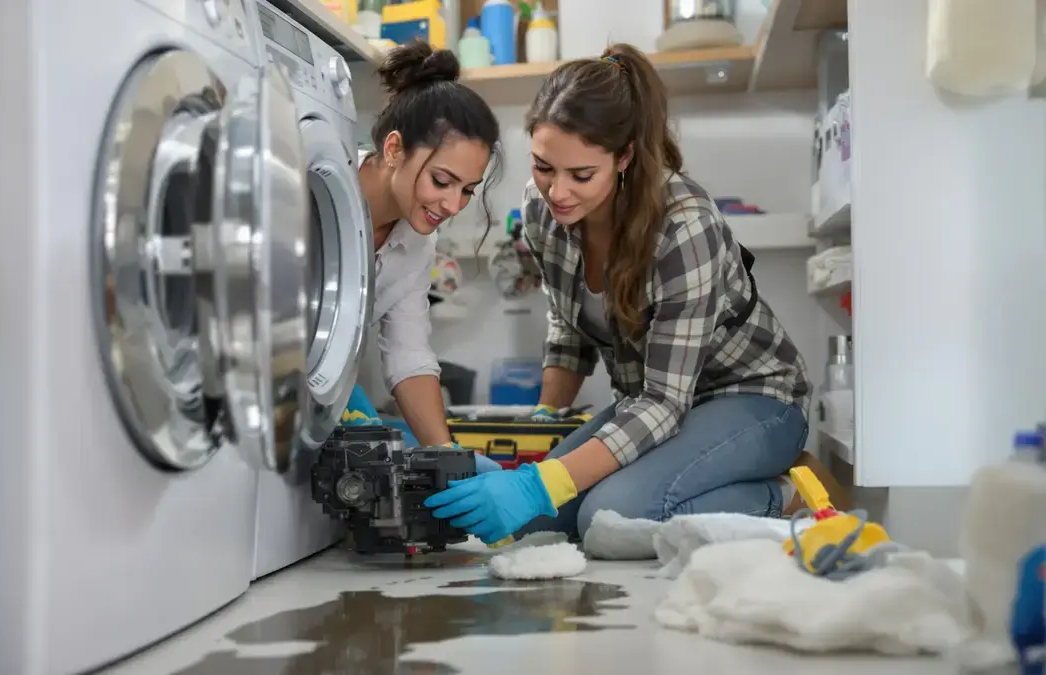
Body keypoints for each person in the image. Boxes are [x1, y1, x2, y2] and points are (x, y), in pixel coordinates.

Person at [425, 44, 824, 544]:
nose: (558, 192)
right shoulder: (541, 209)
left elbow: (663, 402)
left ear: (624, 158)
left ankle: (784, 494)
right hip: (655, 403)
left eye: (582, 175)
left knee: (611, 518)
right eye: (544, 166)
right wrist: (543, 427)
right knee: (540, 522)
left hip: (754, 399)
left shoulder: (685, 227)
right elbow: (568, 326)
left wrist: (541, 481)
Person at [338, 42, 503, 472]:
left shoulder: (415, 240)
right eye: (442, 180)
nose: (452, 205)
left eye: (467, 190)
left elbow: (408, 353)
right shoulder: (318, 191)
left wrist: (447, 460)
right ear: (393, 150)